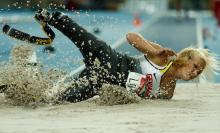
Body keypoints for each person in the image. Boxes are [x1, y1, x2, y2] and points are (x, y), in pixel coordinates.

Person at [34, 9, 219, 102]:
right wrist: (153, 51)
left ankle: (23, 92)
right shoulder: (164, 57)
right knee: (84, 38)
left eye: (199, 72)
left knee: (60, 101)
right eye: (195, 66)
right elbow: (131, 37)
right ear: (185, 58)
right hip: (110, 59)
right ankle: (52, 17)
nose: (196, 72)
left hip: (101, 81)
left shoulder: (168, 93)